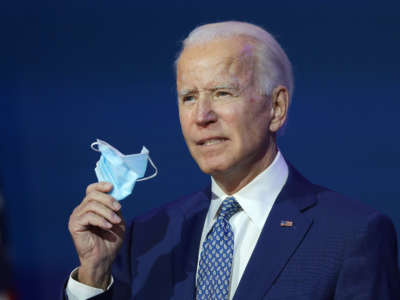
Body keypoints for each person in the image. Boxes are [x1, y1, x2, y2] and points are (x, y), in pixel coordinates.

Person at [64, 21, 400, 299]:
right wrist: (93, 275)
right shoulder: (148, 237)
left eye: (223, 92)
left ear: (276, 108)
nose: (202, 115)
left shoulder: (352, 235)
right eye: (189, 97)